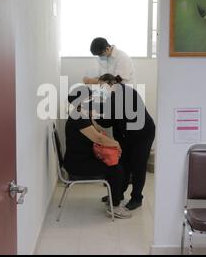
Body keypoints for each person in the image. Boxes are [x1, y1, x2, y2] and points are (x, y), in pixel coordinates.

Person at [64, 85, 132, 219]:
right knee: (116, 170)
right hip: (78, 164)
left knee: (116, 166)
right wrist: (116, 144)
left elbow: (98, 131)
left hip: (82, 158)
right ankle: (116, 207)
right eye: (89, 98)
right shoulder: (78, 117)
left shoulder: (82, 115)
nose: (92, 100)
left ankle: (113, 199)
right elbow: (97, 137)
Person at [96, 74, 155, 211]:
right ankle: (118, 194)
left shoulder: (125, 94)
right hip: (127, 135)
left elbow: (107, 121)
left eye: (102, 87)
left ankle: (136, 198)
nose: (100, 90)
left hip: (142, 134)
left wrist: (92, 115)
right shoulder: (113, 95)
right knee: (123, 163)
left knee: (138, 166)